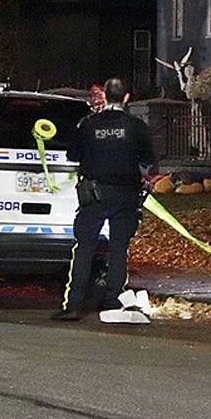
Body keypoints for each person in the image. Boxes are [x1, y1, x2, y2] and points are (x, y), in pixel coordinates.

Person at [52, 78, 156, 323]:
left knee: (84, 250)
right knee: (118, 249)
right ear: (127, 98)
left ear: (104, 96)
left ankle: (74, 306)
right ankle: (113, 301)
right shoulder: (136, 126)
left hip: (94, 196)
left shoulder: (88, 124)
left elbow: (72, 155)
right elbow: (148, 160)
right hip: (126, 196)